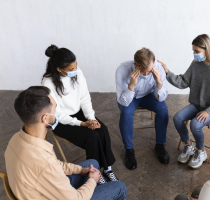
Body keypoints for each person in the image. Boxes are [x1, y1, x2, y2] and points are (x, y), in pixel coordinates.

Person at [4, 86, 127, 200]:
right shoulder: (44, 163)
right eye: (55, 108)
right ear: (45, 118)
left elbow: (54, 165)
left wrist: (80, 170)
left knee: (93, 163)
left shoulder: (16, 139)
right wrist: (92, 181)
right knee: (119, 187)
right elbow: (76, 198)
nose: (57, 111)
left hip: (41, 188)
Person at [42, 45, 117, 184]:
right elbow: (56, 113)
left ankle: (107, 168)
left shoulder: (78, 73)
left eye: (76, 66)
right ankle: (95, 174)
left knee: (102, 129)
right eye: (71, 69)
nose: (75, 71)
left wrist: (91, 119)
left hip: (79, 113)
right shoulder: (48, 83)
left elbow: (85, 98)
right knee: (92, 137)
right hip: (61, 121)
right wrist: (82, 124)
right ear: (59, 69)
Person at [159, 34, 210, 169]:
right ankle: (188, 146)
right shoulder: (196, 64)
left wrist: (208, 111)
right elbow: (183, 81)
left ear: (207, 50)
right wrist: (167, 72)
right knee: (177, 118)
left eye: (197, 51)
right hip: (197, 105)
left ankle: (201, 151)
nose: (194, 54)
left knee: (195, 124)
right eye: (193, 51)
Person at [115, 47, 169, 170]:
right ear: (135, 65)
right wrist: (131, 85)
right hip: (129, 96)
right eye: (142, 71)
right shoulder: (122, 69)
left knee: (163, 109)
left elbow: (161, 98)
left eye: (148, 72)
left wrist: (159, 83)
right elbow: (123, 102)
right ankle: (129, 150)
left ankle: (160, 145)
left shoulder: (158, 68)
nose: (145, 75)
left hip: (148, 96)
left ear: (153, 64)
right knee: (126, 113)